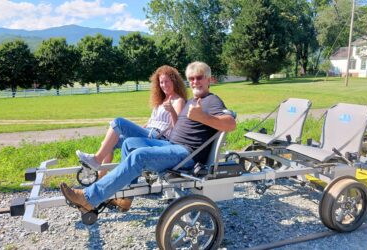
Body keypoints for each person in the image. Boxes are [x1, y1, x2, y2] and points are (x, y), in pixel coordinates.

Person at [60, 61, 236, 213]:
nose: (195, 82)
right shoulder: (192, 101)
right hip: (172, 146)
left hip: (186, 154)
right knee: (128, 144)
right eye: (191, 78)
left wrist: (203, 117)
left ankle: (89, 198)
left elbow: (230, 123)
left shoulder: (212, 100)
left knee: (139, 156)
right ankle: (127, 197)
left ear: (209, 79)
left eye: (199, 77)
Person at [76, 65, 187, 178]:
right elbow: (151, 121)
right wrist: (139, 128)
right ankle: (100, 176)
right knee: (107, 144)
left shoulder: (178, 100)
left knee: (118, 122)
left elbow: (178, 128)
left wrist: (172, 111)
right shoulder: (161, 100)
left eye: (166, 81)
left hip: (158, 137)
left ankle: (96, 160)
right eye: (161, 82)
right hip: (148, 132)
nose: (164, 85)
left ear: (174, 81)